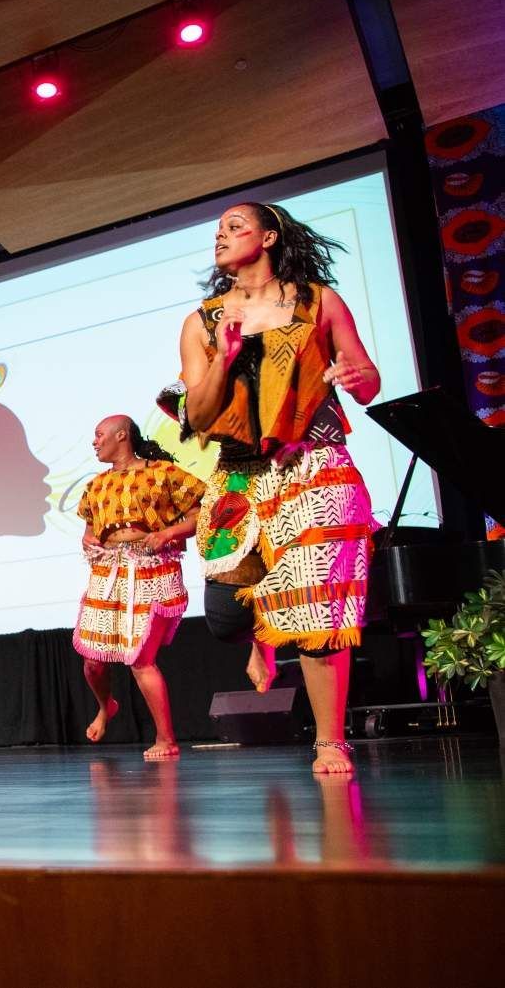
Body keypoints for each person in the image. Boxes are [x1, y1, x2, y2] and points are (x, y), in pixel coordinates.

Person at [164, 201, 380, 774]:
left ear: (269, 235)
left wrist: (358, 378)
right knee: (226, 620)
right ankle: (263, 635)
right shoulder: (202, 321)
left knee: (317, 612)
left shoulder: (318, 301)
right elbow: (202, 416)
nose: (222, 236)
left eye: (235, 226)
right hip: (237, 476)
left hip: (314, 466)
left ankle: (330, 740)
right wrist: (223, 360)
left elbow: (367, 380)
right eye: (217, 230)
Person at [72, 416, 203, 760]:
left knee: (141, 659)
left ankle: (166, 739)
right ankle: (106, 706)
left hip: (150, 570)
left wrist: (168, 534)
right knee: (93, 663)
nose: (94, 441)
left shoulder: (163, 473)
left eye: (98, 434)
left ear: (121, 435)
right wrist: (89, 542)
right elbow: (88, 529)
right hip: (108, 572)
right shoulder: (96, 485)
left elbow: (200, 513)